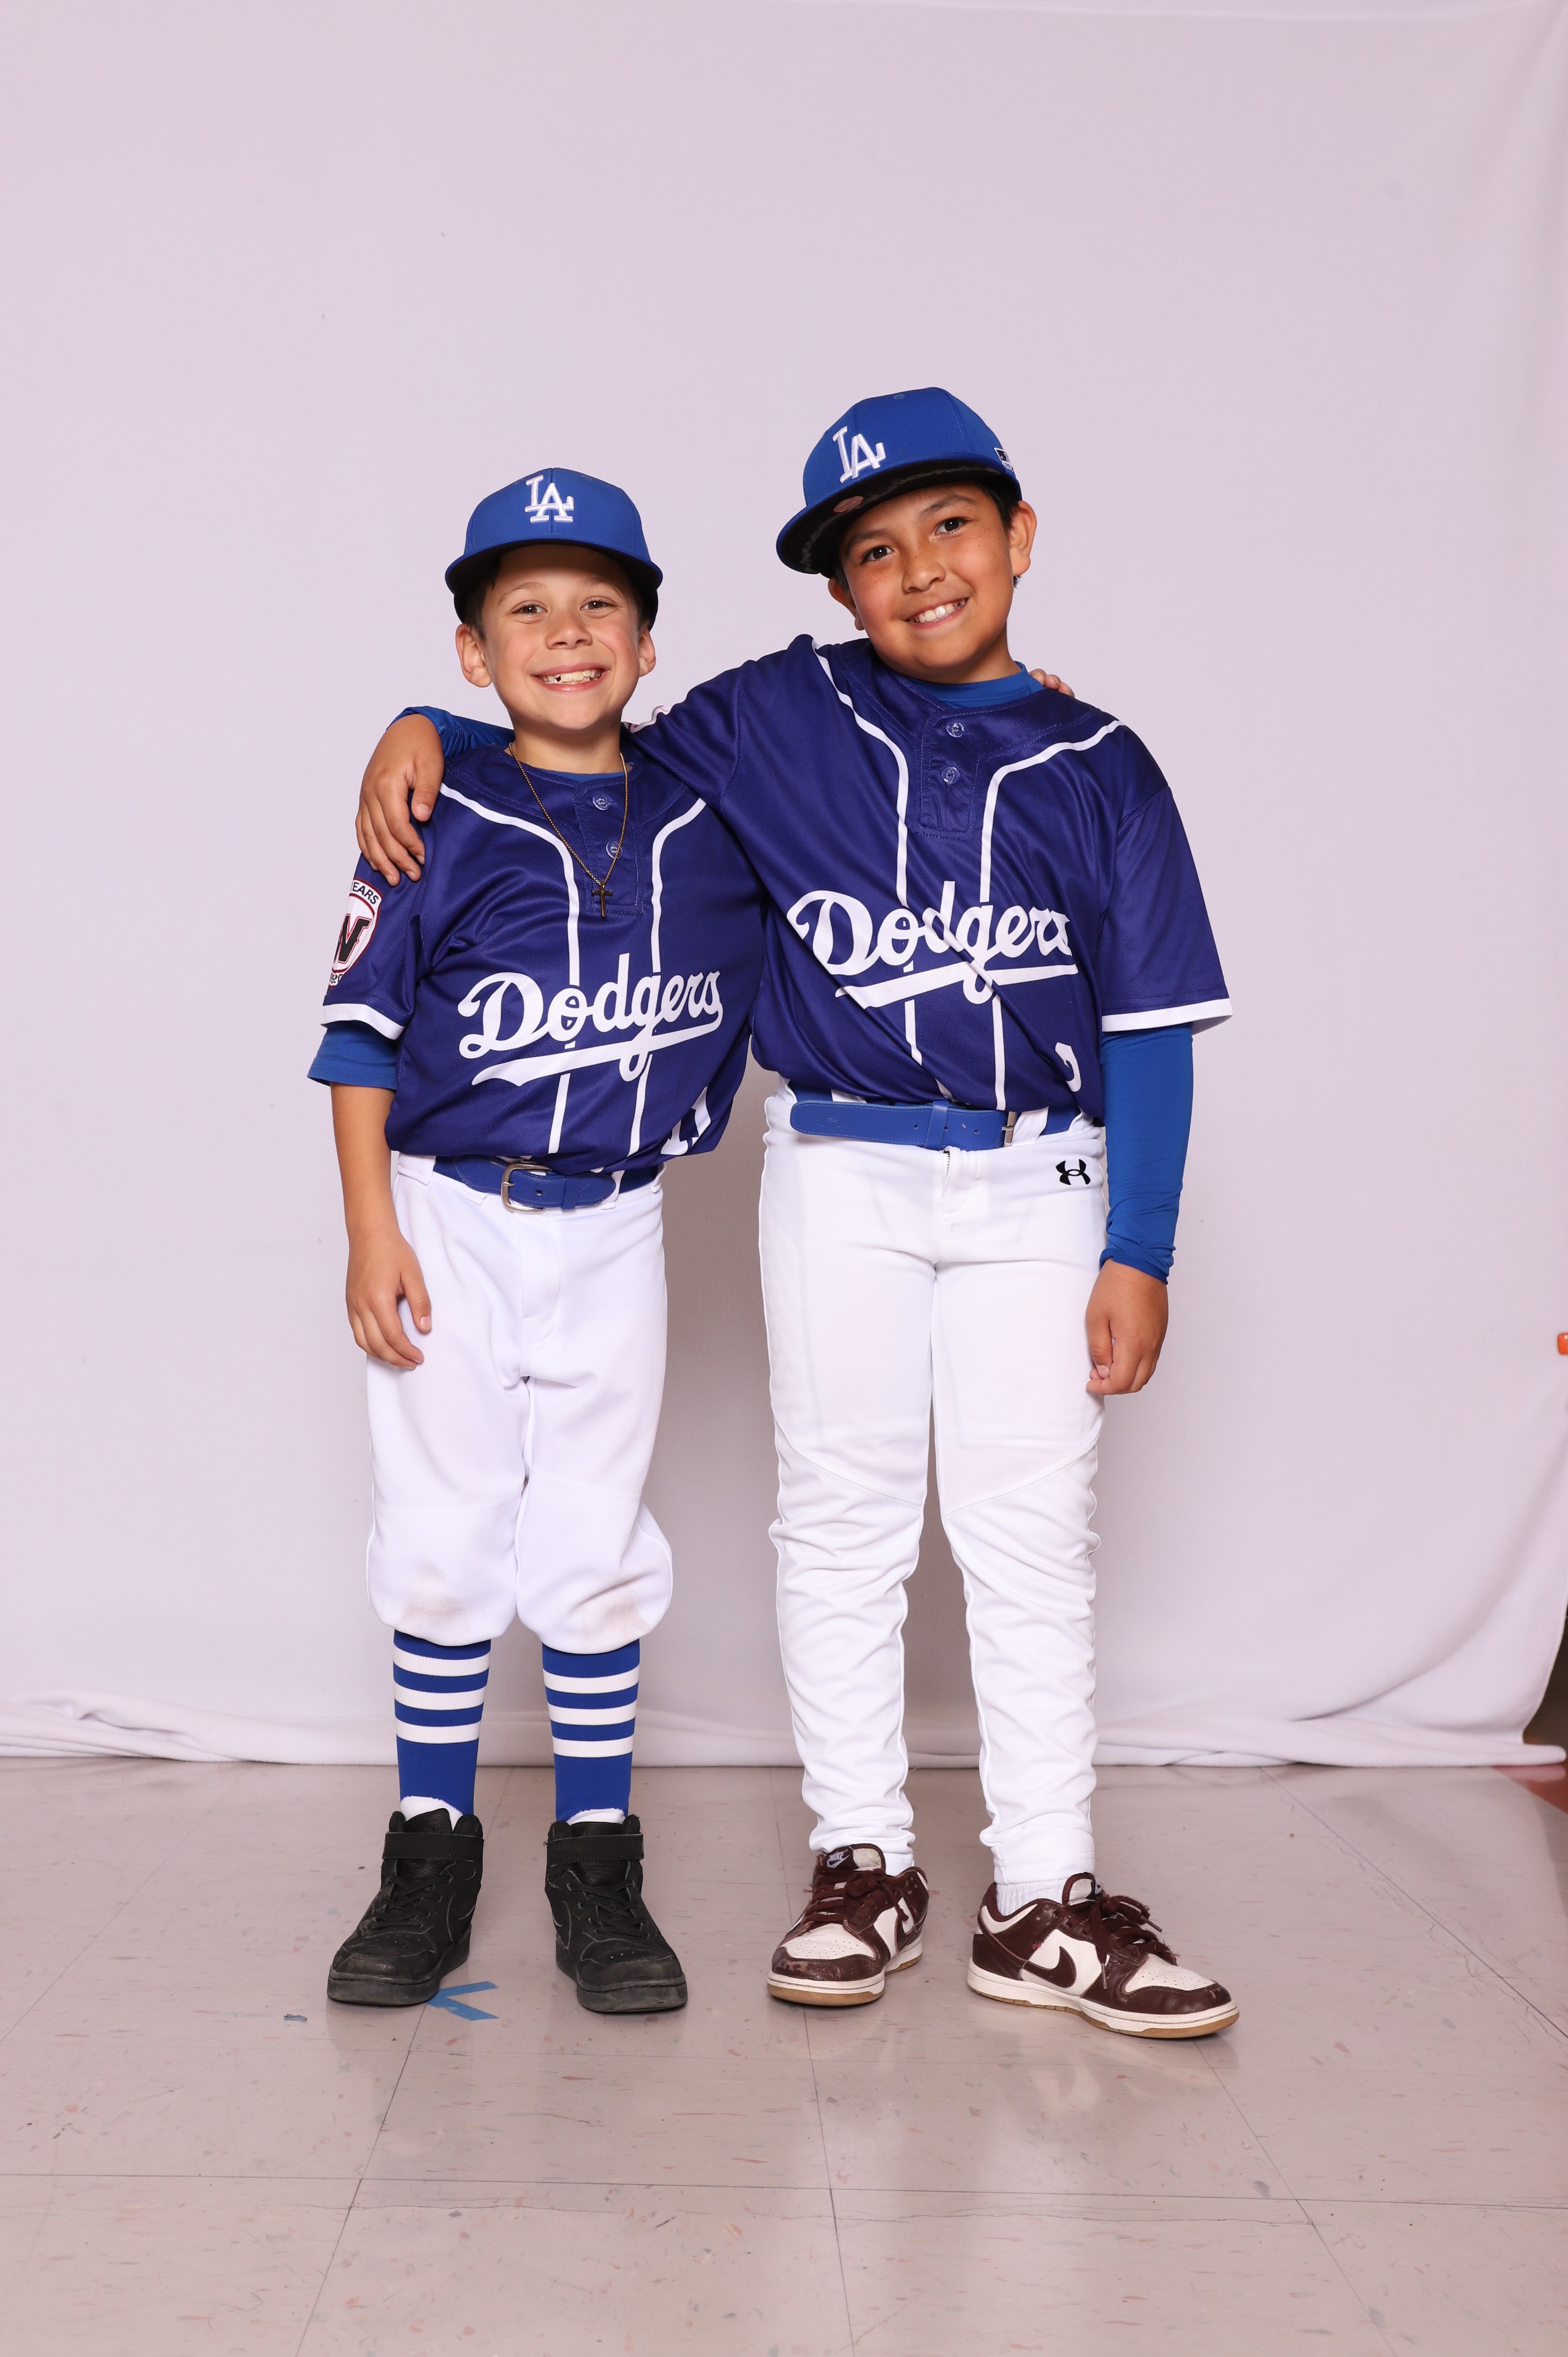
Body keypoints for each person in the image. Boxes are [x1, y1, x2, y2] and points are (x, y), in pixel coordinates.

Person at [355, 388, 1239, 2037]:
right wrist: (424, 724)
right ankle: (860, 1865)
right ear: (837, 587)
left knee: (1030, 1535)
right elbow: (575, 740)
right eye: (874, 551)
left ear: (1020, 538)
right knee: (842, 1522)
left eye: (951, 528)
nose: (920, 570)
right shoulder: (773, 716)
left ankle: (1045, 1892)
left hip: (1042, 1176)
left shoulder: (1106, 765)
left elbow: (1151, 1033)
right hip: (838, 1165)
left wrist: (1144, 1244)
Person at [313, 468, 764, 2014]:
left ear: (647, 642)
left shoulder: (711, 813)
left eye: (598, 606)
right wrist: (371, 1229)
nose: (566, 633)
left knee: (592, 1538)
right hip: (448, 1210)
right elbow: (361, 1038)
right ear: (472, 651)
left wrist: (1022, 694)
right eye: (526, 610)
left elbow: (858, 743)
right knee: (443, 1534)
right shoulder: (428, 810)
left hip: (620, 1218)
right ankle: (431, 1849)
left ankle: (597, 1859)